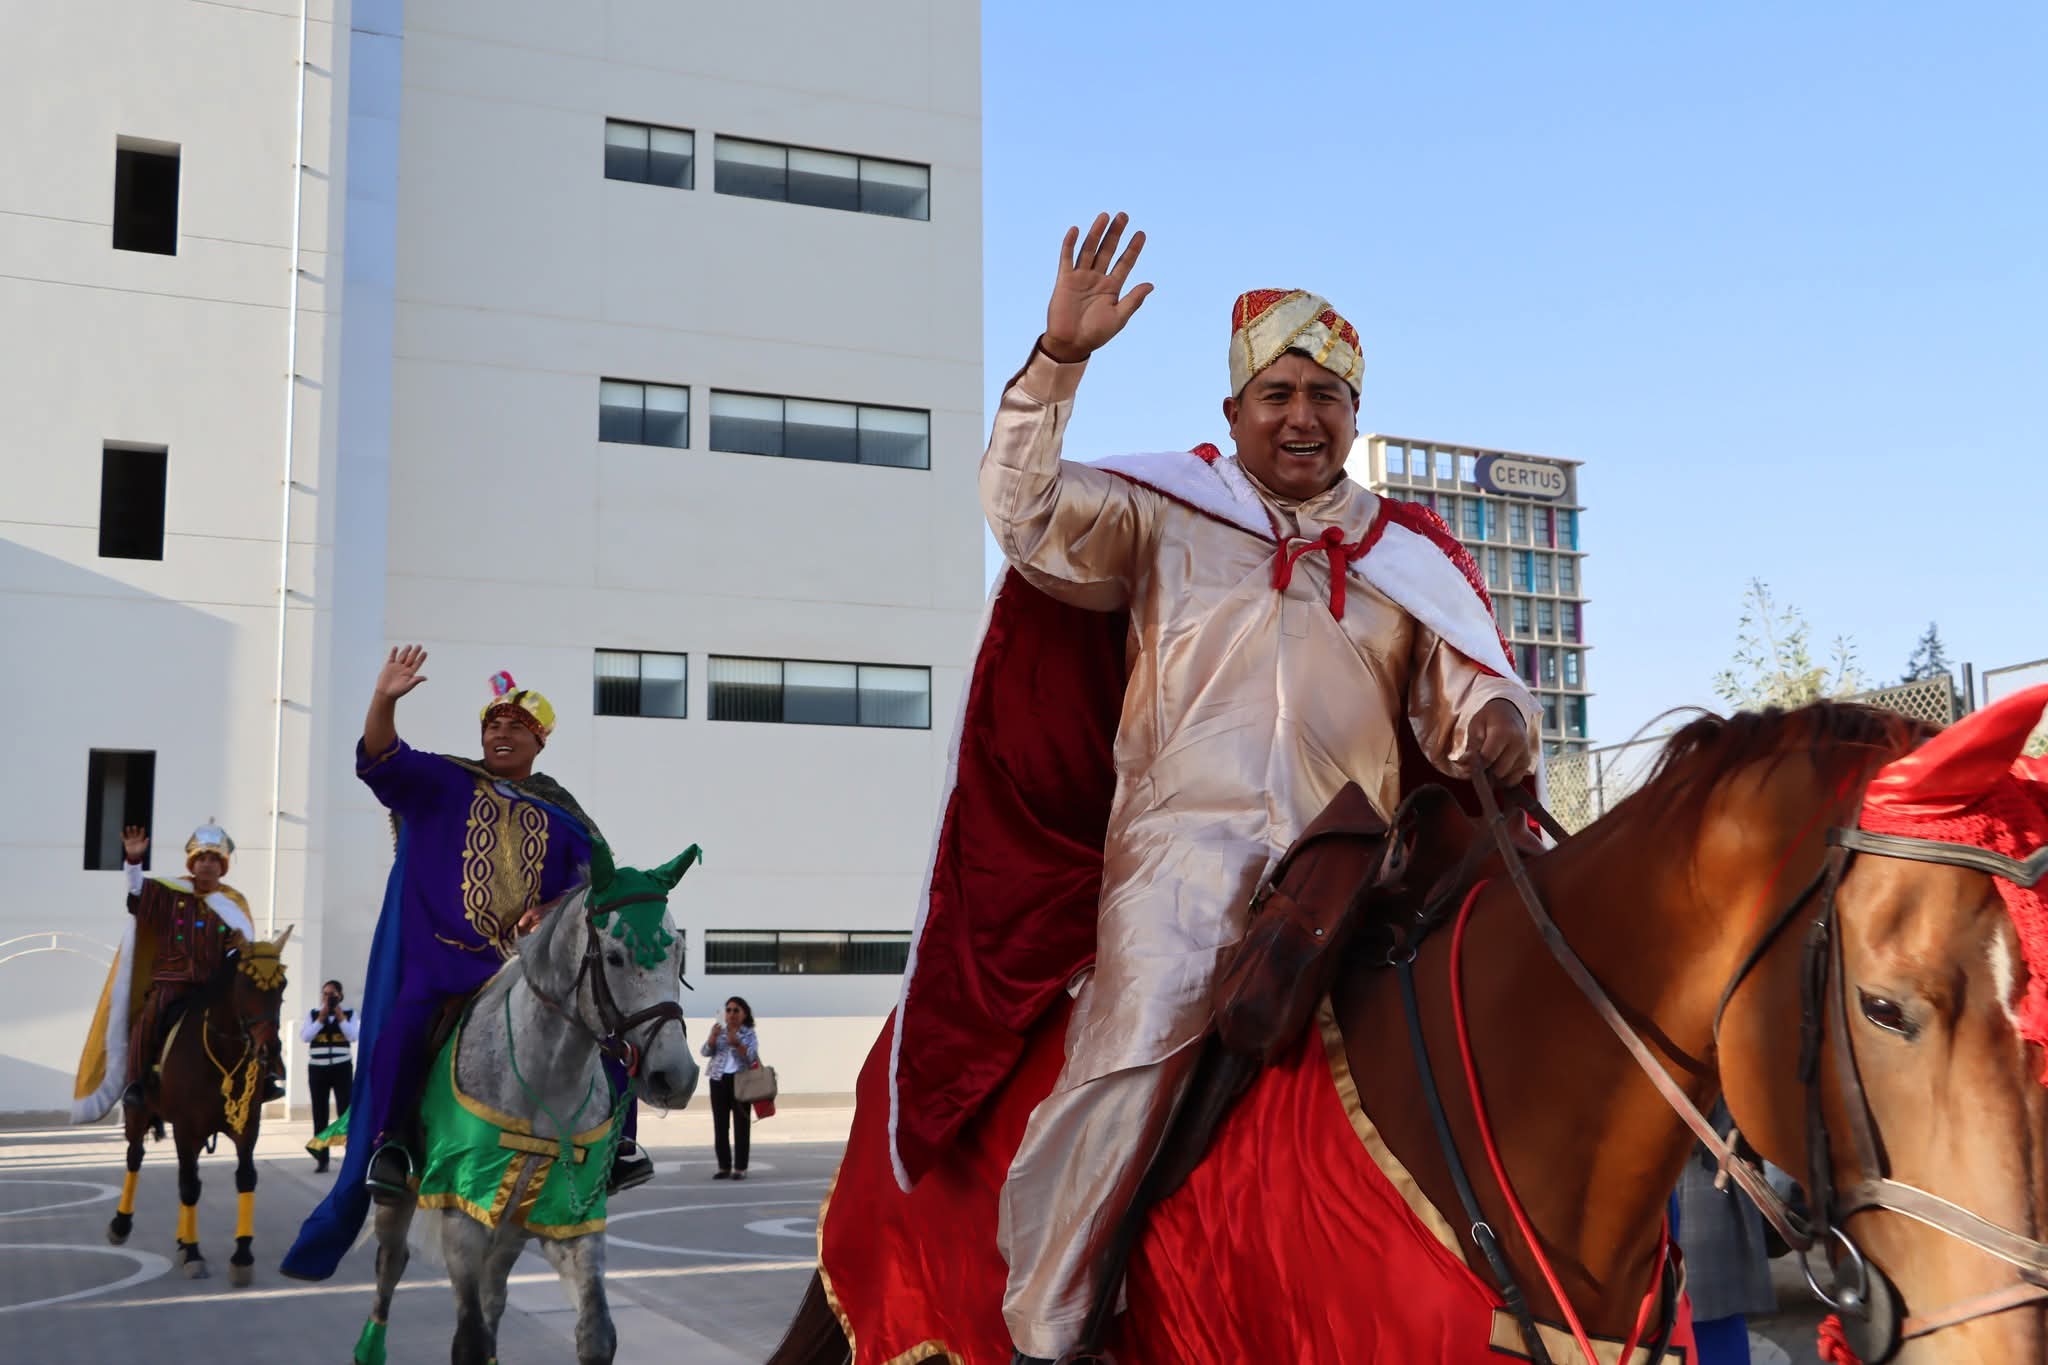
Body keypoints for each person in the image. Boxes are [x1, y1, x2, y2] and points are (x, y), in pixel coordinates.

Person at [887, 214, 1540, 1364]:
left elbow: (1475, 695)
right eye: (1278, 392)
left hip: (1351, 875)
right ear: (1233, 411)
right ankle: (1047, 1330)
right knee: (1126, 1063)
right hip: (1180, 864)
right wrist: (1059, 360)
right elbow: (1022, 510)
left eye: (1325, 395)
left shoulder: (1404, 558)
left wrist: (1494, 723)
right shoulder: (1163, 512)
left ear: (1352, 414)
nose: (1302, 414)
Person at [283, 649, 635, 1281]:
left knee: (613, 1029)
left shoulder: (565, 816)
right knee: (399, 1035)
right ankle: (388, 1148)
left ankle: (620, 1146)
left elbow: (597, 886)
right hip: (439, 962)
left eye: (515, 725)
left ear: (539, 740)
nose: (500, 732)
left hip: (519, 970)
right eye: (491, 724)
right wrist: (385, 698)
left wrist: (552, 906)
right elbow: (381, 757)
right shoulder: (445, 781)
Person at [71, 822, 265, 1123]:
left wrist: (237, 954)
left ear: (222, 866)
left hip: (213, 986)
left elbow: (242, 946)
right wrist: (134, 860)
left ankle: (265, 1077)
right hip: (173, 985)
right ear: (192, 863)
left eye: (214, 860)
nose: (207, 865)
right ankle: (137, 1084)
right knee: (147, 1020)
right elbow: (137, 893)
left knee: (254, 1019)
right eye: (202, 859)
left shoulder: (233, 903)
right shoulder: (169, 894)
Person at [301, 979, 358, 1173]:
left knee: (345, 1112)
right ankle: (322, 1158)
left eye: (332, 995)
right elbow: (305, 1036)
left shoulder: (349, 1014)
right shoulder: (313, 1014)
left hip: (342, 1068)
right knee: (320, 1113)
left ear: (340, 996)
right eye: (325, 994)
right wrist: (320, 1020)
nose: (327, 998)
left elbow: (353, 1036)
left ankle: (349, 1157)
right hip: (318, 1069)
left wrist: (340, 1018)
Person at [701, 996, 760, 1180]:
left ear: (744, 1014)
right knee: (720, 1125)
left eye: (736, 1010)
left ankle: (740, 1167)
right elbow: (705, 1052)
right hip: (718, 1080)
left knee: (741, 1125)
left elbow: (751, 1058)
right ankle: (724, 1166)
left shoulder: (748, 1033)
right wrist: (712, 1039)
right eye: (728, 1010)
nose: (731, 1014)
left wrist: (737, 1044)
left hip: (741, 1080)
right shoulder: (719, 1031)